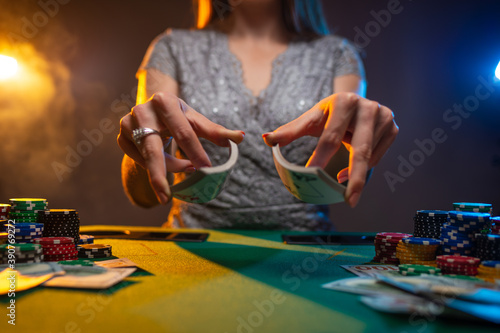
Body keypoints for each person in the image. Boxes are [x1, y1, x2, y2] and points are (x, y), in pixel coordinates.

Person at [117, 0, 398, 230]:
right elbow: (144, 196)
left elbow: (345, 181)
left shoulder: (338, 55)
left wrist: (360, 136)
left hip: (303, 258)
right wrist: (145, 143)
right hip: (193, 251)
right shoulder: (170, 48)